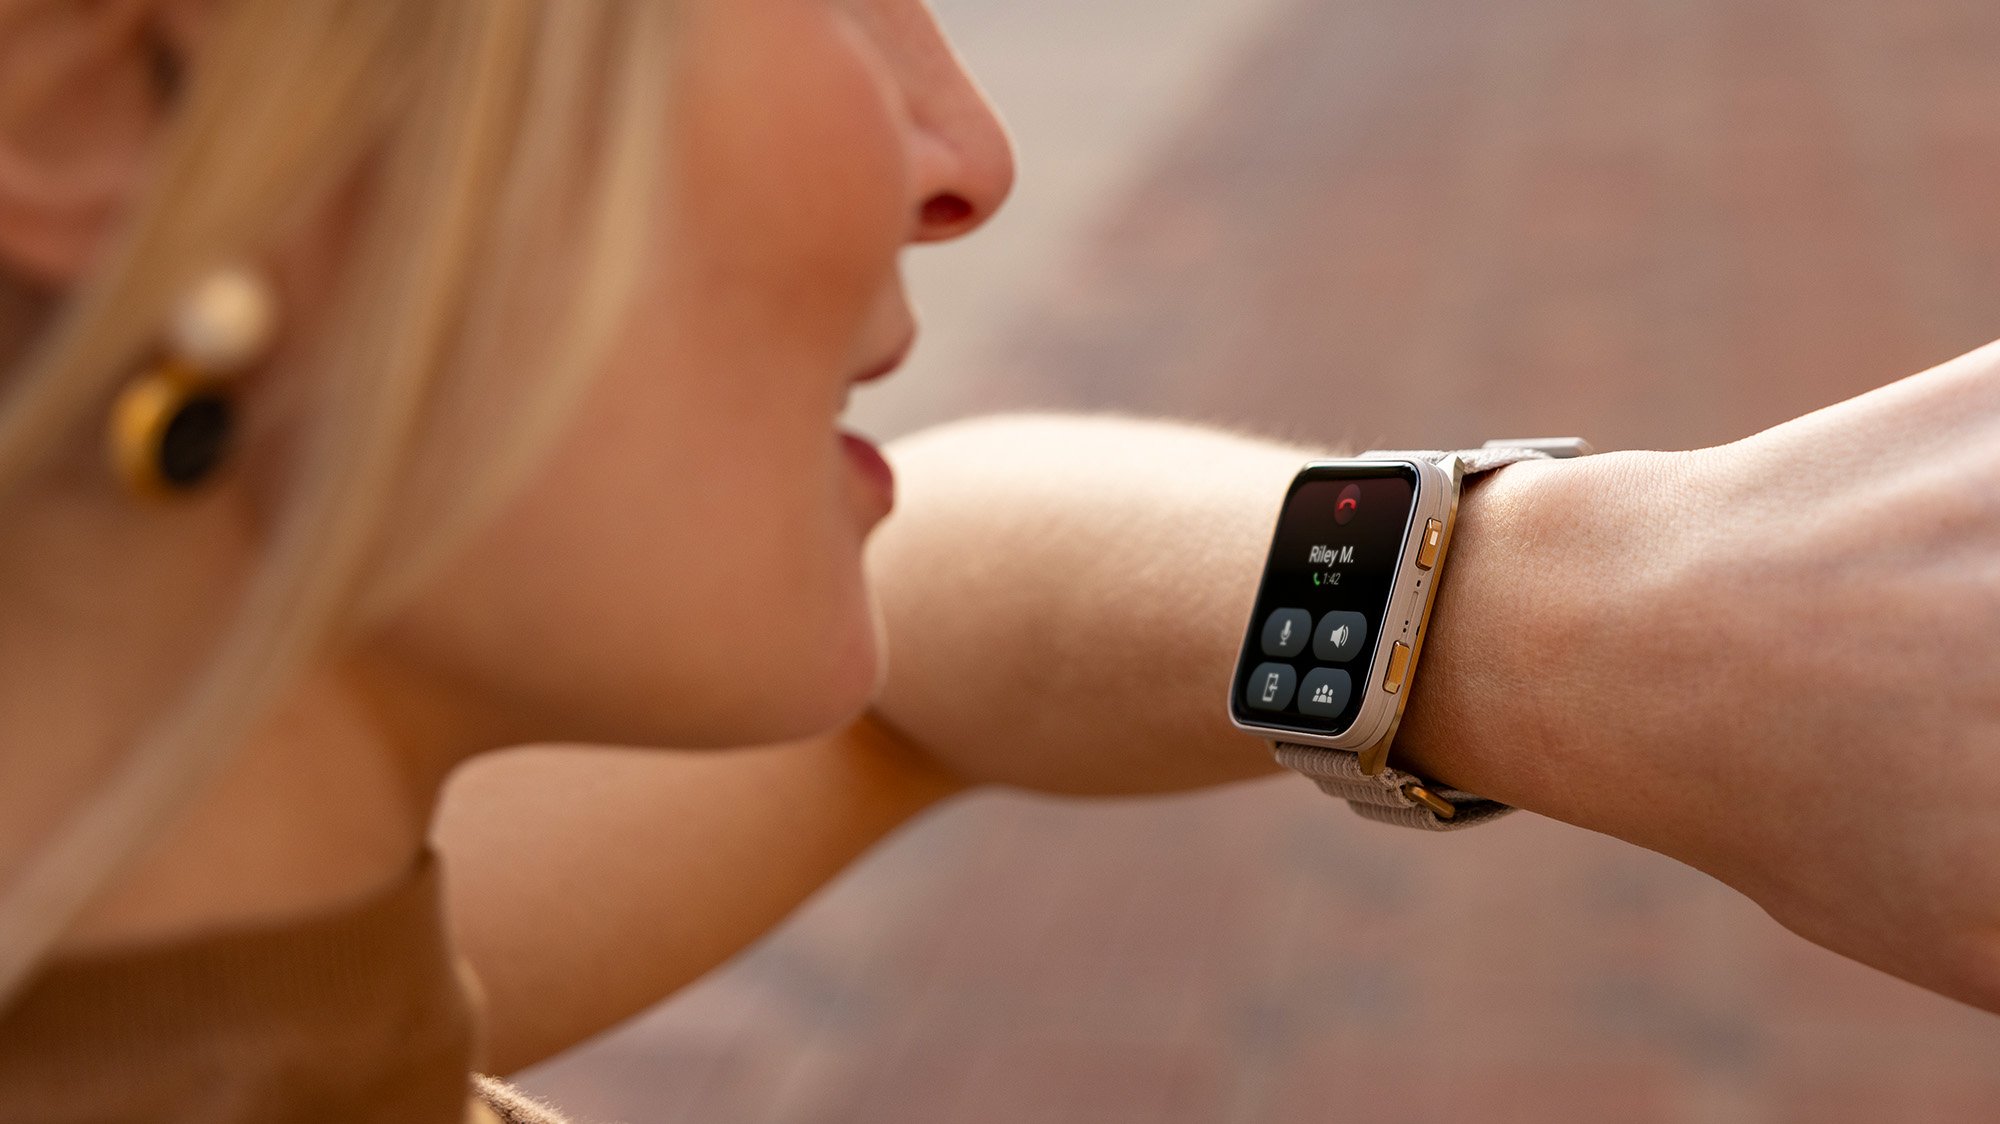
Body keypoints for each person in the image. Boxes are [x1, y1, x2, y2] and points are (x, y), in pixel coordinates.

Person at [0, 0, 1996, 1120]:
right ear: (103, 114)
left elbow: (934, 615)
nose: (966, 150)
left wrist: (1578, 608)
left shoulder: (161, 918)